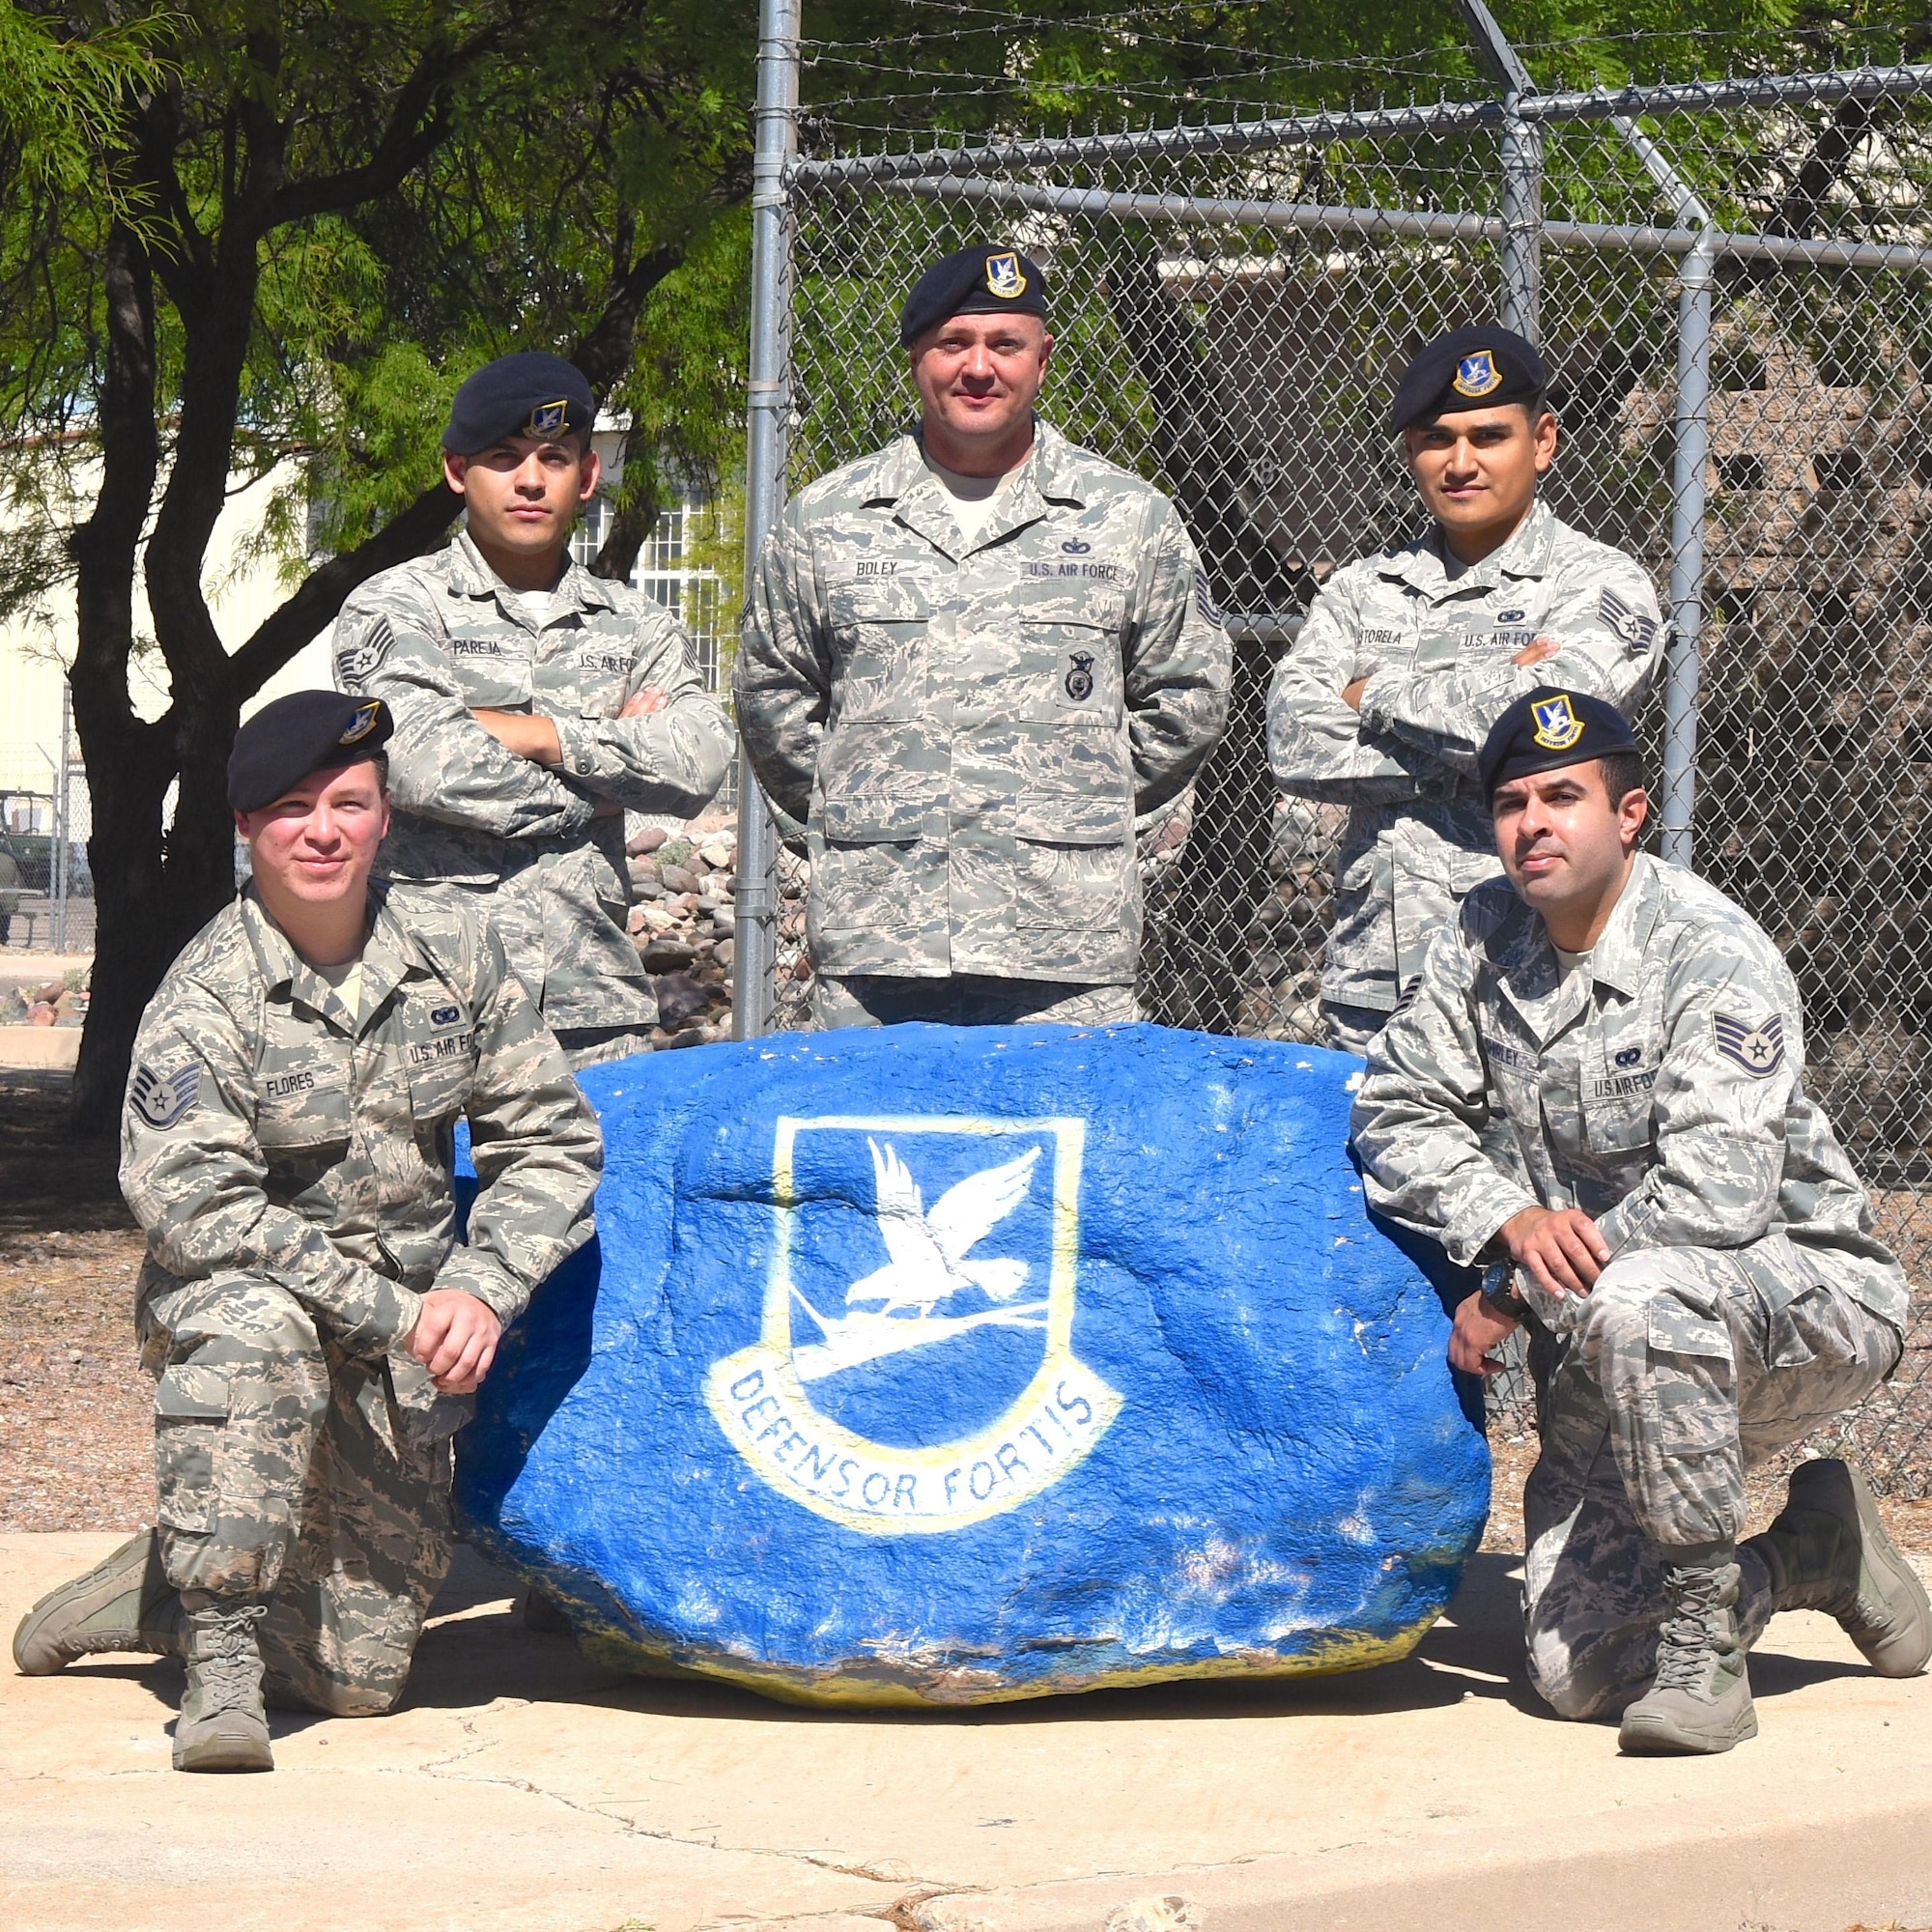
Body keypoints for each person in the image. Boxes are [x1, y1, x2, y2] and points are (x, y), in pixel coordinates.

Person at [12, 693, 602, 1772]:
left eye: (348, 801)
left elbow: (551, 1142)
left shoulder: (457, 953)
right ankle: (220, 1657)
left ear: (385, 816)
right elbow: (204, 1211)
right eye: (290, 808)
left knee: (360, 1680)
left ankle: (152, 1584)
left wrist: (482, 1287)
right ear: (245, 827)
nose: (321, 829)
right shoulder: (205, 996)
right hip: (250, 1306)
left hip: (418, 1331)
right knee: (257, 1322)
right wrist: (399, 1313)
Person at [1350, 685, 1927, 1754]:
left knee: (1639, 1289)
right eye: (1511, 801)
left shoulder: (1710, 950)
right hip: (1613, 1332)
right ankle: (1813, 1552)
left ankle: (1707, 1649)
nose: (1531, 823)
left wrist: (1511, 1285)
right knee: (1579, 1670)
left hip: (1800, 1303)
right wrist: (1503, 1215)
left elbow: (1714, 1196)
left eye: (1562, 795)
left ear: (1626, 816)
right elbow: (1392, 1106)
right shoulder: (1478, 936)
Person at [736, 243, 1231, 1029]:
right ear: (914, 359)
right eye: (952, 343)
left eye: (1005, 344)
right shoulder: (826, 522)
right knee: (876, 1147)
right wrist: (861, 810)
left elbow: (1189, 694)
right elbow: (772, 694)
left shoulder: (1128, 519)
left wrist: (1069, 804)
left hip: (1064, 942)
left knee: (1065, 1148)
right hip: (880, 938)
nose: (978, 368)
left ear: (1042, 358)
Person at [1269, 326, 1665, 1053]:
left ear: (1542, 441)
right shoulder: (1362, 592)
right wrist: (1483, 742)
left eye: (1488, 436)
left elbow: (1552, 736)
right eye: (1436, 439)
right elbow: (1294, 742)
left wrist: (1378, 694)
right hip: (1377, 995)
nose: (1460, 463)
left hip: (1540, 992)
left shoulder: (1602, 585)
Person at [330, 352, 732, 1065]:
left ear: (587, 477)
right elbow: (419, 760)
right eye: (504, 456)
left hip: (593, 1010)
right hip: (430, 1003)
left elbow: (699, 760)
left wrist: (542, 735)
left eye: (554, 457)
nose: (530, 479)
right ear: (458, 472)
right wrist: (607, 781)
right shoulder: (398, 605)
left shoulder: (637, 624)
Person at [0, 835, 20, 947]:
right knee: (5, 914)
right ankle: (3, 938)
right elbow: (16, 880)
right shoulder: (10, 860)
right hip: (8, 900)